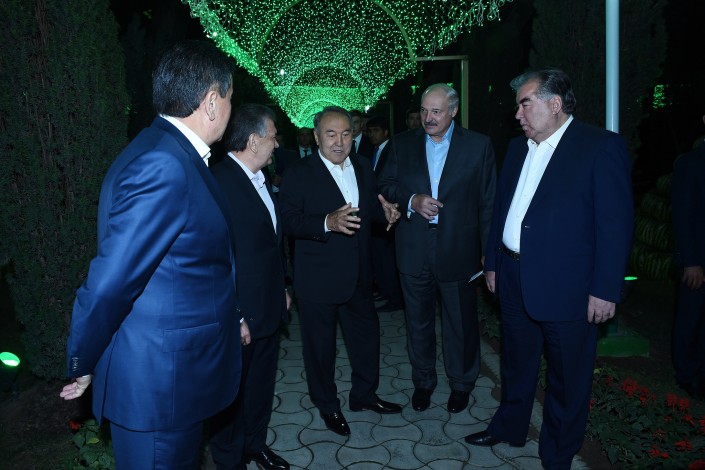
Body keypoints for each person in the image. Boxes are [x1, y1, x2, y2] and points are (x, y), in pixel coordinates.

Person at [59, 40, 240, 469]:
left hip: (172, 382)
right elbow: (111, 282)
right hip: (160, 389)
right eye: (231, 98)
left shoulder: (162, 148)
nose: (231, 110)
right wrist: (83, 357)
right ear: (211, 102)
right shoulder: (165, 164)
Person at [464, 68, 634, 469]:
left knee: (567, 377)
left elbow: (615, 225)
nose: (517, 114)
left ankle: (557, 453)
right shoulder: (517, 147)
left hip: (568, 287)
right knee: (516, 362)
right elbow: (502, 209)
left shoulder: (599, 147)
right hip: (512, 276)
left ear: (554, 103)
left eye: (525, 104)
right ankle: (510, 426)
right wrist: (493, 261)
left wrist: (605, 289)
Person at [278, 106, 403, 437]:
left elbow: (369, 210)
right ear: (317, 136)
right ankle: (327, 404)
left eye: (346, 134)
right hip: (317, 278)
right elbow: (286, 220)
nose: (339, 141)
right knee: (321, 349)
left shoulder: (362, 166)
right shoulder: (299, 172)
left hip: (359, 274)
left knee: (366, 339)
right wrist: (326, 222)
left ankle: (364, 395)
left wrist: (386, 213)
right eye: (331, 134)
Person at [378, 83, 496, 414]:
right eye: (424, 110)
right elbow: (384, 184)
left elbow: (488, 203)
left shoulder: (478, 146)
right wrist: (412, 200)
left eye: (436, 111)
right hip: (414, 246)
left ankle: (462, 383)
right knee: (418, 321)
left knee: (460, 322)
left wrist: (489, 253)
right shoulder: (402, 144)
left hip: (459, 247)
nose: (427, 118)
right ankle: (424, 381)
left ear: (454, 111)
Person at [209, 104, 291, 470]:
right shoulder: (219, 182)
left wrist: (282, 286)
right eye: (273, 137)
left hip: (268, 307)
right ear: (254, 140)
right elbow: (214, 258)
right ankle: (230, 461)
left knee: (260, 387)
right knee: (232, 394)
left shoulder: (260, 178)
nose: (277, 144)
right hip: (239, 314)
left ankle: (255, 445)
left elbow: (271, 243)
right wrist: (235, 313)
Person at [671, 114, 705, 400]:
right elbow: (682, 216)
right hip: (698, 261)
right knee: (691, 318)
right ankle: (687, 375)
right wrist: (690, 261)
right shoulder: (690, 163)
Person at [366, 115, 404, 312]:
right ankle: (386, 291)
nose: (372, 134)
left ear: (386, 132)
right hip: (376, 212)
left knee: (388, 258)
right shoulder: (373, 151)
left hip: (390, 211)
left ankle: (395, 297)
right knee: (379, 257)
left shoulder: (393, 149)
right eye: (370, 131)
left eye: (376, 131)